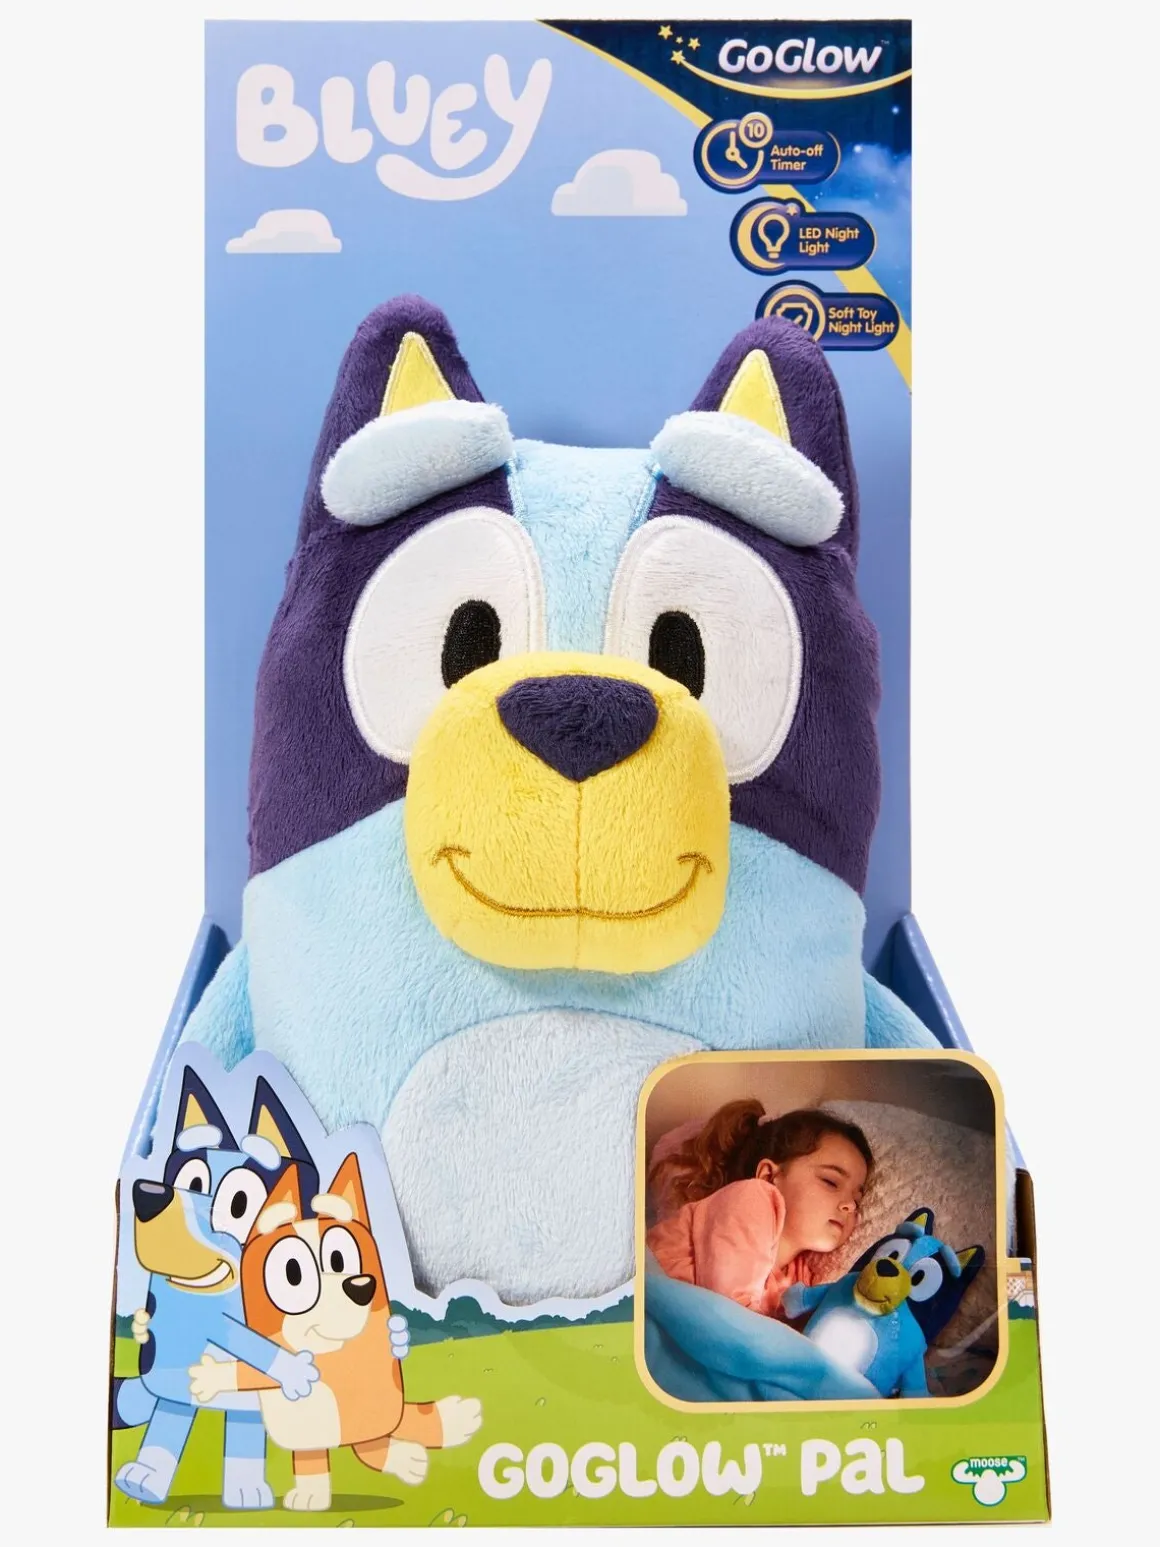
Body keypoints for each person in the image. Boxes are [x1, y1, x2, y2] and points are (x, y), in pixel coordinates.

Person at [647, 1100, 872, 1318]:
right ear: (769, 1176)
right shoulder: (749, 1198)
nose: (850, 1205)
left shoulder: (800, 1277)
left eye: (857, 1199)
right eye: (831, 1182)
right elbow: (729, 1312)